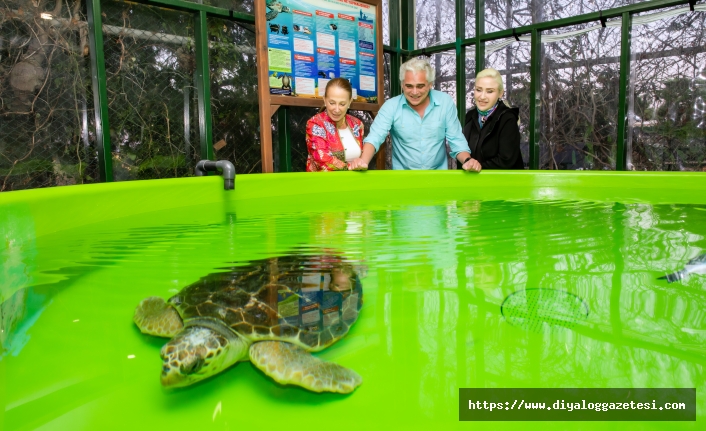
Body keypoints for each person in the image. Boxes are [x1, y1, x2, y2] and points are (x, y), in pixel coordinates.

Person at [348, 57, 482, 172]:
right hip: (404, 181)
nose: (414, 92)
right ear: (402, 85)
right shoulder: (391, 106)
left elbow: (456, 140)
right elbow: (375, 137)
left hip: (437, 179)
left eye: (420, 86)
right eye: (409, 86)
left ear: (430, 85)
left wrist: (468, 160)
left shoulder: (445, 102)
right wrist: (363, 162)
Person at [462, 68, 524, 169]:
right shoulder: (470, 115)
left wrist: (477, 167)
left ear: (500, 93)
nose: (482, 96)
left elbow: (506, 160)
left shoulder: (507, 119)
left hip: (503, 182)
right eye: (478, 90)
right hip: (475, 182)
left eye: (489, 91)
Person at [305, 78, 365, 171]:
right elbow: (322, 159)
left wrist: (361, 162)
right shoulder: (315, 123)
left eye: (342, 104)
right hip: (324, 184)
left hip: (353, 183)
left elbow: (362, 157)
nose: (337, 109)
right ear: (324, 100)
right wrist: (351, 167)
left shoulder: (357, 124)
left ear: (350, 102)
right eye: (332, 103)